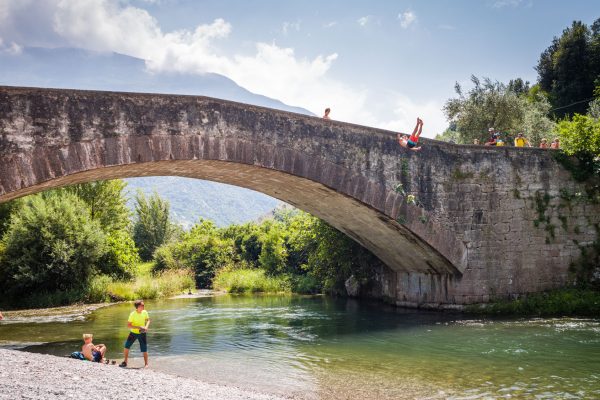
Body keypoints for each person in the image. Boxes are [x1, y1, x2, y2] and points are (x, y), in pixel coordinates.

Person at [120, 299, 151, 368]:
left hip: (142, 334)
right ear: (138, 307)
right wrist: (138, 327)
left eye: (144, 305)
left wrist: (146, 327)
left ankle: (146, 364)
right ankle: (125, 362)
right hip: (133, 333)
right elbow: (128, 325)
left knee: (144, 349)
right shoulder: (132, 314)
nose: (143, 306)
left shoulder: (145, 312)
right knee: (126, 346)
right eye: (142, 305)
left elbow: (148, 320)